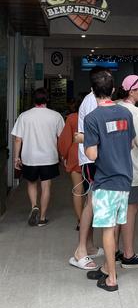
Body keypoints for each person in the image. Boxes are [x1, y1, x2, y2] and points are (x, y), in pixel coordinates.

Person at [83, 70, 136, 291]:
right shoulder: (126, 114)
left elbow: (92, 155)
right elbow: (131, 143)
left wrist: (85, 144)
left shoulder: (92, 118)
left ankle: (112, 278)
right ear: (113, 90)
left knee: (106, 228)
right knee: (113, 225)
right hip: (124, 178)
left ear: (93, 92)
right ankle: (106, 268)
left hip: (106, 180)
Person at [69, 67, 106, 270]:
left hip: (92, 157)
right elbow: (93, 133)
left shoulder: (92, 100)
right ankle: (80, 251)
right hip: (92, 159)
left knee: (92, 202)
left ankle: (89, 246)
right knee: (91, 203)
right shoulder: (93, 101)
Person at [114, 74, 138, 268]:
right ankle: (128, 254)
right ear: (131, 90)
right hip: (133, 169)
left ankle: (113, 250)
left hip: (114, 168)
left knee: (117, 212)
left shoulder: (113, 108)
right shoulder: (135, 113)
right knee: (130, 211)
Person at [12, 88, 64, 226]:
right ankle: (42, 218)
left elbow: (18, 139)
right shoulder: (56, 116)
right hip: (49, 157)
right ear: (47, 99)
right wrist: (62, 156)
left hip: (30, 157)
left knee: (31, 183)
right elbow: (61, 139)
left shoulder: (24, 116)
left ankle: (34, 206)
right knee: (46, 186)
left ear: (33, 100)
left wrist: (16, 157)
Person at [58, 98, 83, 225]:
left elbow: (65, 140)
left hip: (75, 154)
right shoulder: (97, 115)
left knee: (77, 189)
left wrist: (64, 156)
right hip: (94, 153)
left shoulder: (72, 118)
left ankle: (80, 220)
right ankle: (92, 218)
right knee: (94, 190)